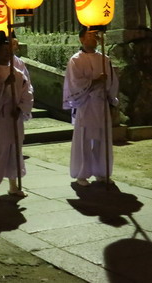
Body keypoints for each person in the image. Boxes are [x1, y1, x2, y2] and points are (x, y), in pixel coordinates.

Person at [0, 31, 34, 200]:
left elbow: (28, 91)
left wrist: (20, 107)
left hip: (13, 119)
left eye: (9, 50)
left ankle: (13, 184)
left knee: (14, 152)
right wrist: (4, 85)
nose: (7, 53)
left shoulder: (18, 72)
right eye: (4, 50)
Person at [63, 27, 119, 186]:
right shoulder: (76, 60)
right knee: (85, 139)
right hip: (86, 104)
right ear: (81, 39)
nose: (94, 38)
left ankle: (102, 172)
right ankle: (82, 173)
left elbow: (112, 82)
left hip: (100, 104)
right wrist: (94, 82)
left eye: (95, 35)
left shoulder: (104, 59)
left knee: (102, 139)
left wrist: (109, 95)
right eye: (89, 35)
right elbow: (75, 83)